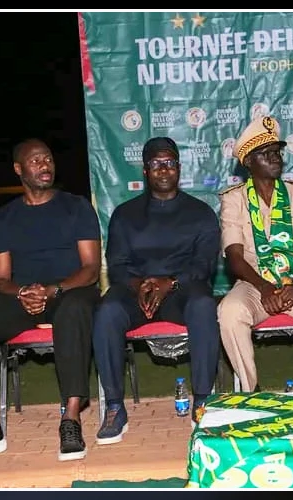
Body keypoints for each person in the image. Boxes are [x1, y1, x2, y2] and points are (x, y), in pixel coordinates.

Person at [0, 139, 102, 465]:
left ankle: (70, 418)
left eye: (48, 159)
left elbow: (89, 268)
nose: (45, 165)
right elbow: (0, 278)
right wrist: (23, 293)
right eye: (36, 161)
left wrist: (51, 291)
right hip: (23, 296)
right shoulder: (4, 217)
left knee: (74, 309)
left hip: (67, 292)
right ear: (19, 169)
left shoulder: (76, 207)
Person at [93, 137, 221, 440]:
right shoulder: (125, 214)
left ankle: (202, 399)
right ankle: (114, 407)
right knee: (107, 311)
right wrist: (140, 285)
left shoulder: (200, 213)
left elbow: (204, 265)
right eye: (156, 164)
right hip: (136, 291)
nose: (164, 170)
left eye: (170, 163)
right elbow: (118, 264)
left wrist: (170, 283)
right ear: (145, 170)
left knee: (204, 305)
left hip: (181, 289)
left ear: (178, 168)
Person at [217, 116, 293, 392]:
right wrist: (264, 286)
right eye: (265, 154)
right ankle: (251, 392)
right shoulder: (234, 199)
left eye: (277, 152)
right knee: (229, 311)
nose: (275, 158)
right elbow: (234, 256)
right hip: (255, 284)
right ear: (248, 162)